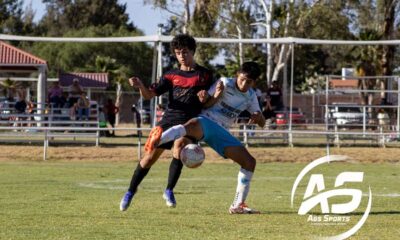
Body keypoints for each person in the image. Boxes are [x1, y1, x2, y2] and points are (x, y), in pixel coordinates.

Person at [145, 62, 265, 214]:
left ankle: (237, 205)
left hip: (221, 132)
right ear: (237, 75)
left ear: (254, 82)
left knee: (249, 162)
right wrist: (212, 96)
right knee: (189, 128)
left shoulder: (251, 96)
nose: (244, 83)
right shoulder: (225, 83)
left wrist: (259, 116)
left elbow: (262, 123)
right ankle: (157, 139)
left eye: (248, 82)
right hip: (206, 120)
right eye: (242, 79)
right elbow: (206, 104)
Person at [120, 34, 213, 211]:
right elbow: (149, 95)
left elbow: (210, 102)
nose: (182, 56)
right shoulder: (170, 75)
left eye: (185, 52)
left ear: (192, 51)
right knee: (148, 159)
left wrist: (206, 97)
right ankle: (130, 192)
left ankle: (169, 190)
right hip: (169, 120)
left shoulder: (205, 75)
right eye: (178, 53)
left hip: (190, 123)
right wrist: (140, 86)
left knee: (179, 148)